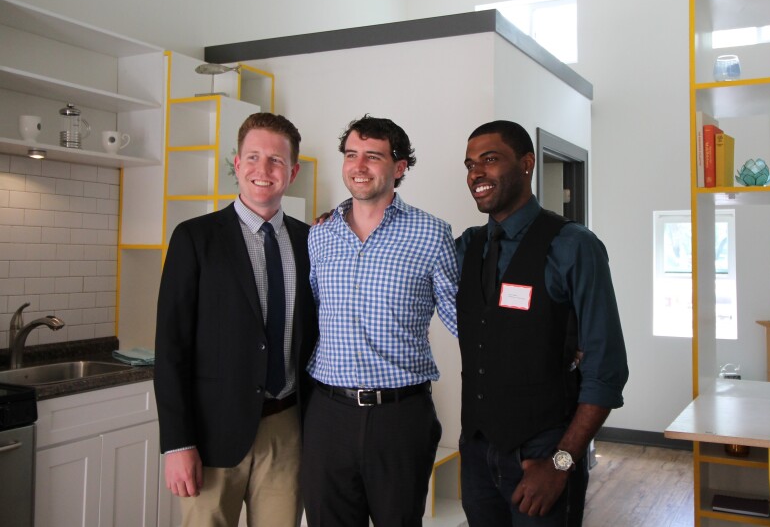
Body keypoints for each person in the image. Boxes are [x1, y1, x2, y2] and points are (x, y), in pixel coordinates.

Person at [456, 120, 629, 526]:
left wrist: (562, 463)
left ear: (527, 163)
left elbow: (606, 370)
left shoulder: (574, 246)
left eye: (490, 159)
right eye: (469, 165)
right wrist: (341, 216)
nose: (476, 173)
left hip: (544, 454)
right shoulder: (467, 246)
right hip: (478, 457)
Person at [154, 112, 318, 526]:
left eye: (276, 160)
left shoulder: (311, 241)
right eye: (253, 157)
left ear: (293, 171)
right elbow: (171, 347)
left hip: (287, 431)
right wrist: (177, 444)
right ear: (236, 163)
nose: (263, 170)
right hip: (211, 434)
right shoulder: (195, 238)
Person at [302, 115, 458, 526]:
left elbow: (462, 320)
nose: (359, 165)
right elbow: (312, 315)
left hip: (399, 418)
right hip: (328, 415)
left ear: (400, 166)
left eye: (373, 156)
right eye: (351, 154)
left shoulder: (431, 234)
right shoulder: (320, 235)